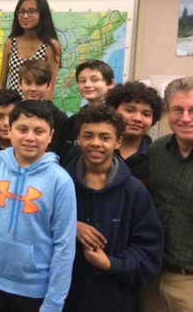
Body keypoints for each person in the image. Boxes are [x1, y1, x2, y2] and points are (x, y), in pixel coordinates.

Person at [0, 100, 77, 312]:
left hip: (34, 292)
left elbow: (64, 247)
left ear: (50, 136)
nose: (30, 137)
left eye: (39, 131)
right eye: (22, 129)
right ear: (11, 130)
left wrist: (53, 304)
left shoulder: (60, 180)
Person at [63, 105, 163, 312]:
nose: (96, 143)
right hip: (64, 297)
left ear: (118, 141)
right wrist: (70, 225)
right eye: (88, 136)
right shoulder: (60, 183)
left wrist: (110, 263)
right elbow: (37, 224)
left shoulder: (134, 192)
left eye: (105, 137)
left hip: (114, 299)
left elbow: (149, 252)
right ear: (78, 139)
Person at [140, 77, 193, 312]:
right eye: (177, 110)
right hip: (151, 277)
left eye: (192, 110)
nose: (185, 118)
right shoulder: (156, 151)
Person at [60, 81, 166, 184]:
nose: (138, 118)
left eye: (146, 114)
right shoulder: (85, 149)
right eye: (130, 110)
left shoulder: (155, 155)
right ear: (113, 110)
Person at [0, 0, 61, 99]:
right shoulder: (10, 43)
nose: (25, 16)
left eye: (32, 11)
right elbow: (1, 83)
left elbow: (49, 90)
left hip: (36, 109)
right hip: (11, 108)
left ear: (42, 14)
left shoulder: (51, 46)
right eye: (21, 11)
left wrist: (40, 113)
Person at [57, 60, 115, 160]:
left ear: (110, 83)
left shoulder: (117, 119)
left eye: (95, 80)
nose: (87, 85)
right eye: (82, 81)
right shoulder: (72, 122)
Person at [18, 59, 67, 153]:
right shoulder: (12, 113)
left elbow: (62, 153)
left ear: (48, 85)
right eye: (28, 82)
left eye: (39, 83)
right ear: (20, 84)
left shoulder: (60, 118)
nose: (33, 89)